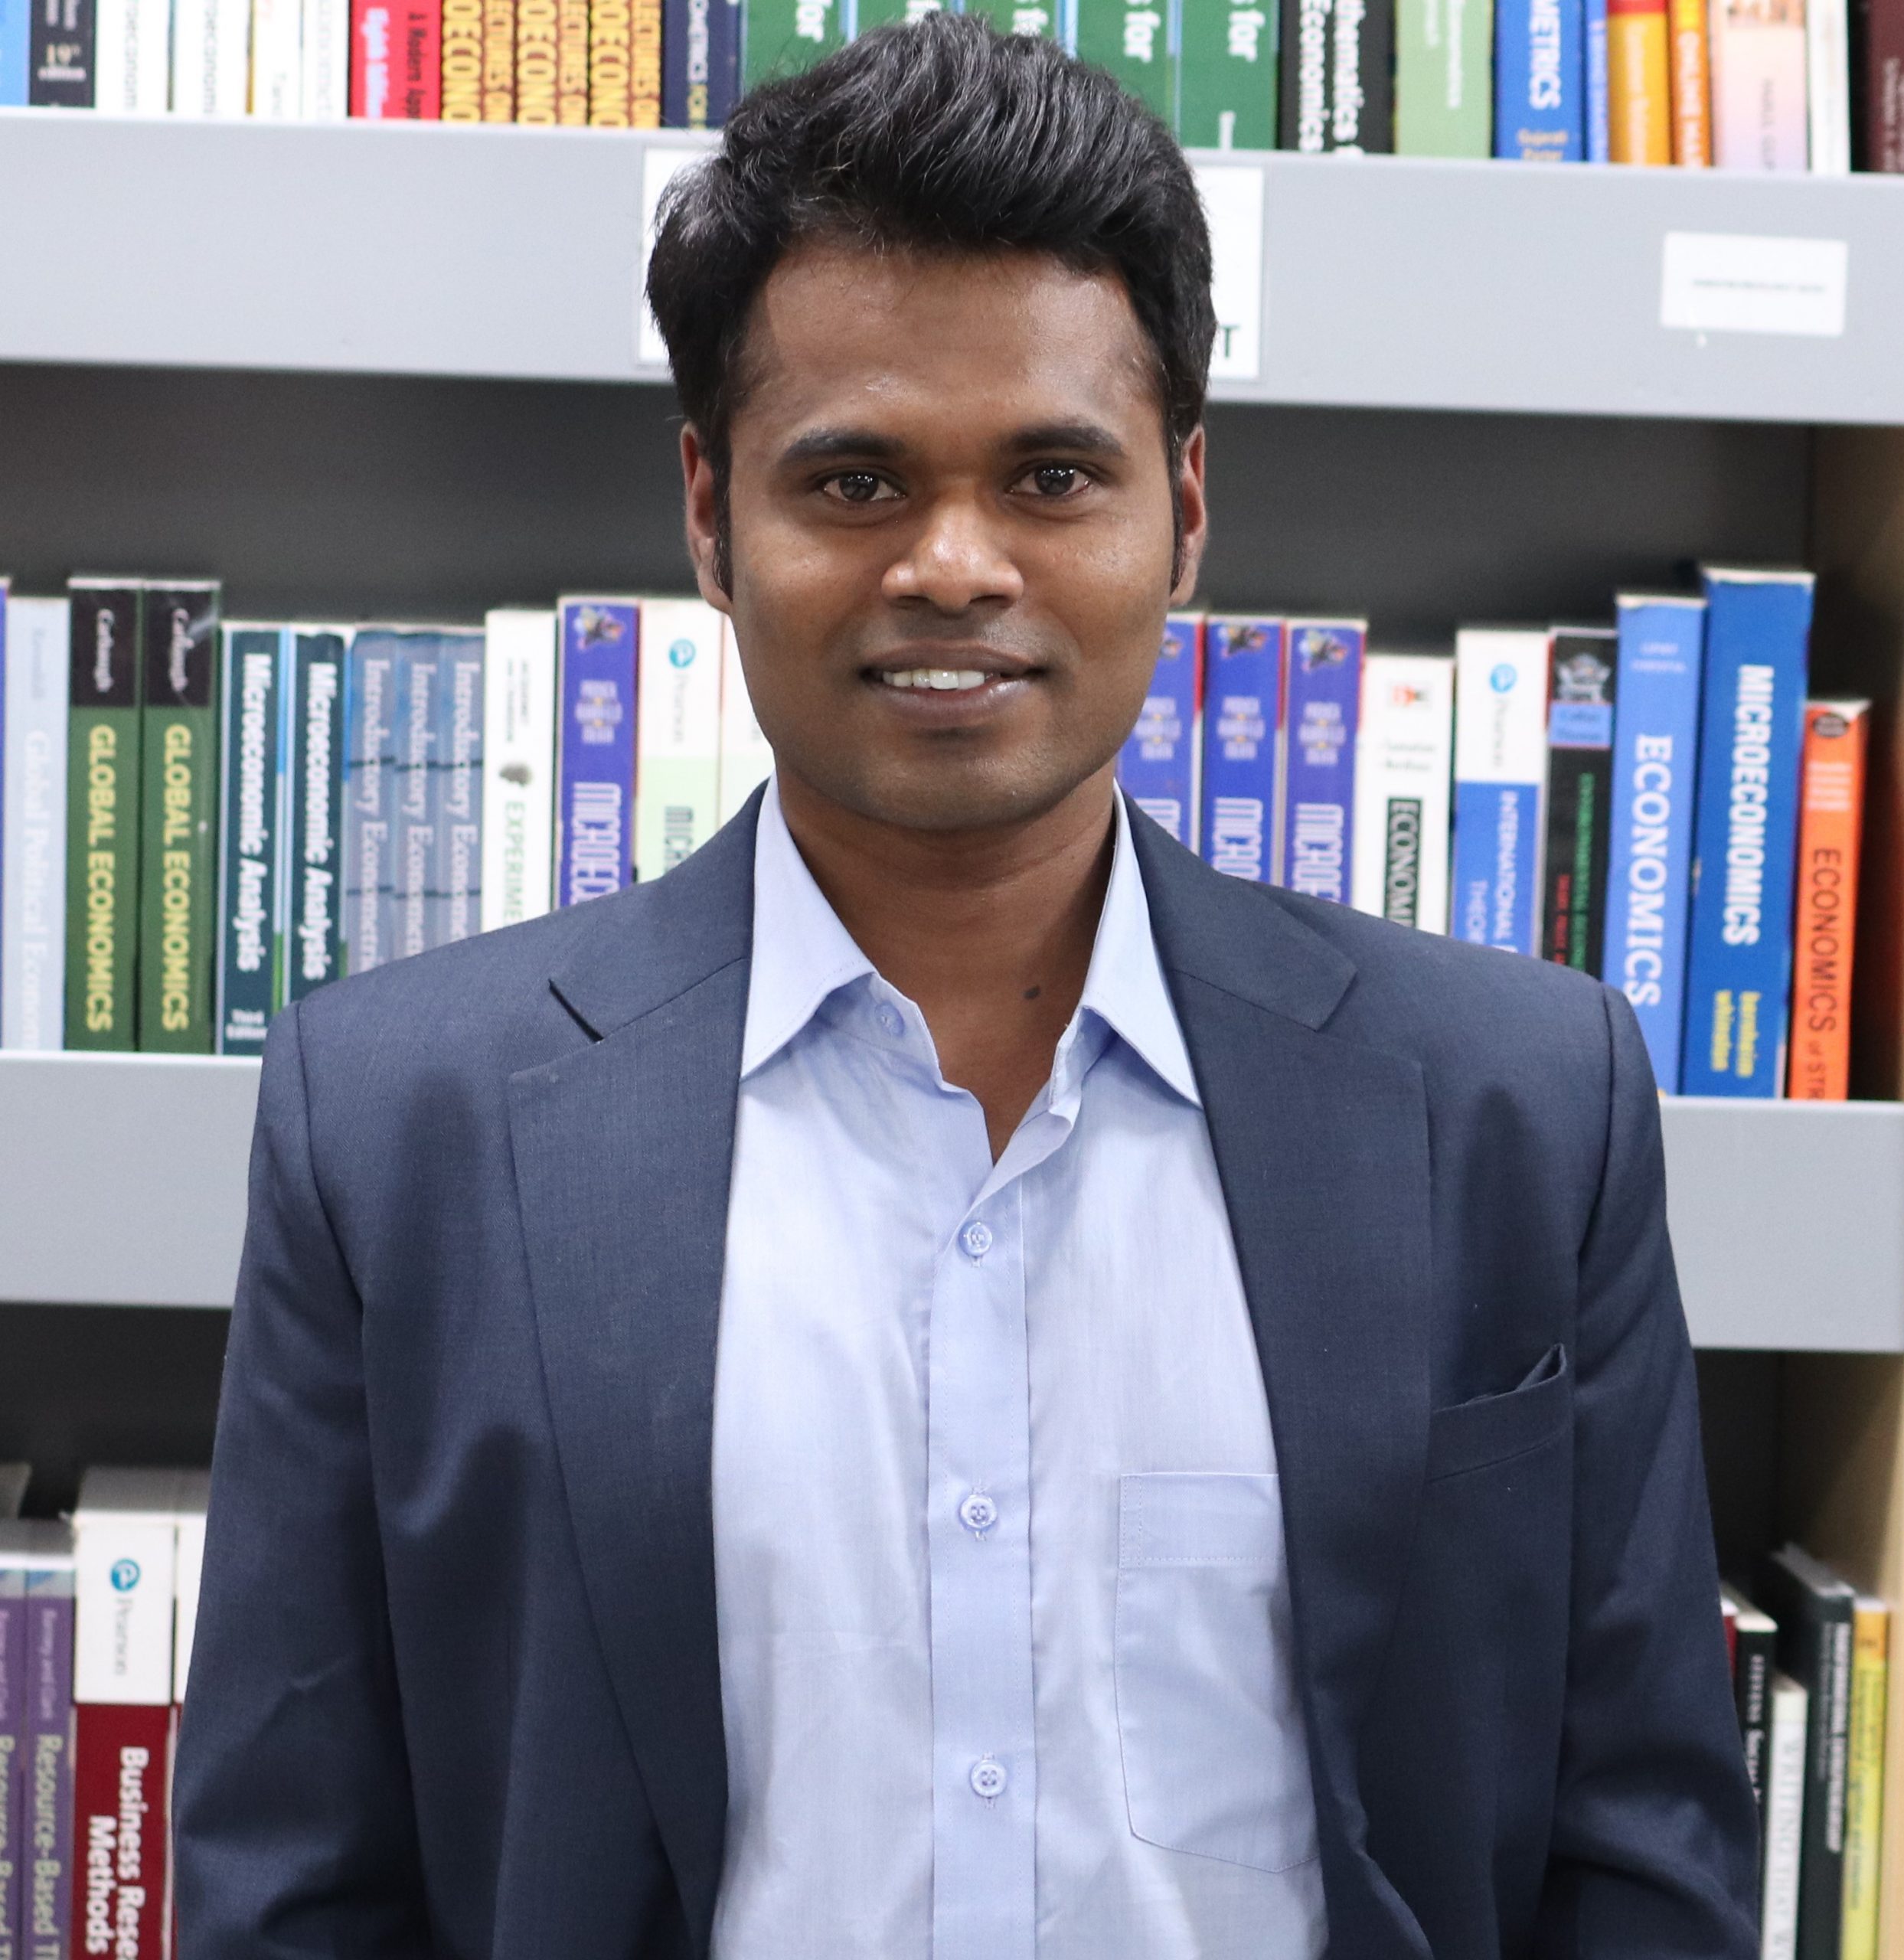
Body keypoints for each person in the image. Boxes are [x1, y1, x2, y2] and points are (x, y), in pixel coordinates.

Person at [175, 17, 1759, 1958]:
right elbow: (294, 1879)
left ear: (1184, 510)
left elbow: (1639, 1848)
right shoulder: (396, 1125)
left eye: (1051, 475)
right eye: (852, 481)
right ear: (708, 515)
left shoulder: (1518, 1102)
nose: (951, 564)